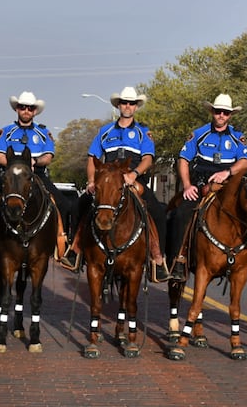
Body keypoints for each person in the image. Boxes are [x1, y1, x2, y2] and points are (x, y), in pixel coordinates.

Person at [57, 86, 169, 283]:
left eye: (131, 103)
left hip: (132, 178)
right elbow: (92, 157)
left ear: (136, 107)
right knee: (78, 206)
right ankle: (74, 250)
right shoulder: (105, 131)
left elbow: (148, 159)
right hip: (107, 178)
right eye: (124, 102)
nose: (127, 106)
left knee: (158, 212)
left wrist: (134, 175)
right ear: (119, 105)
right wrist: (92, 181)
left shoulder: (144, 132)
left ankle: (158, 259)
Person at [0, 91, 71, 258]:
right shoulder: (5, 132)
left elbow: (48, 157)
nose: (26, 110)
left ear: (35, 111)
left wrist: (35, 162)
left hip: (37, 174)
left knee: (62, 203)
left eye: (30, 108)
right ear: (17, 109)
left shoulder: (44, 133)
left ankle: (63, 244)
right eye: (22, 107)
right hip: (10, 174)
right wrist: (17, 165)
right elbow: (0, 156)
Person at [167, 93, 247, 281]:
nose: (222, 115)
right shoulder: (198, 134)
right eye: (218, 111)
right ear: (212, 112)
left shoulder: (238, 137)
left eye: (226, 113)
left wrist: (227, 172)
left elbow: (245, 162)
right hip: (201, 183)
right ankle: (178, 260)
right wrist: (187, 185)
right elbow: (183, 160)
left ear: (230, 115)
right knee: (181, 214)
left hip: (228, 185)